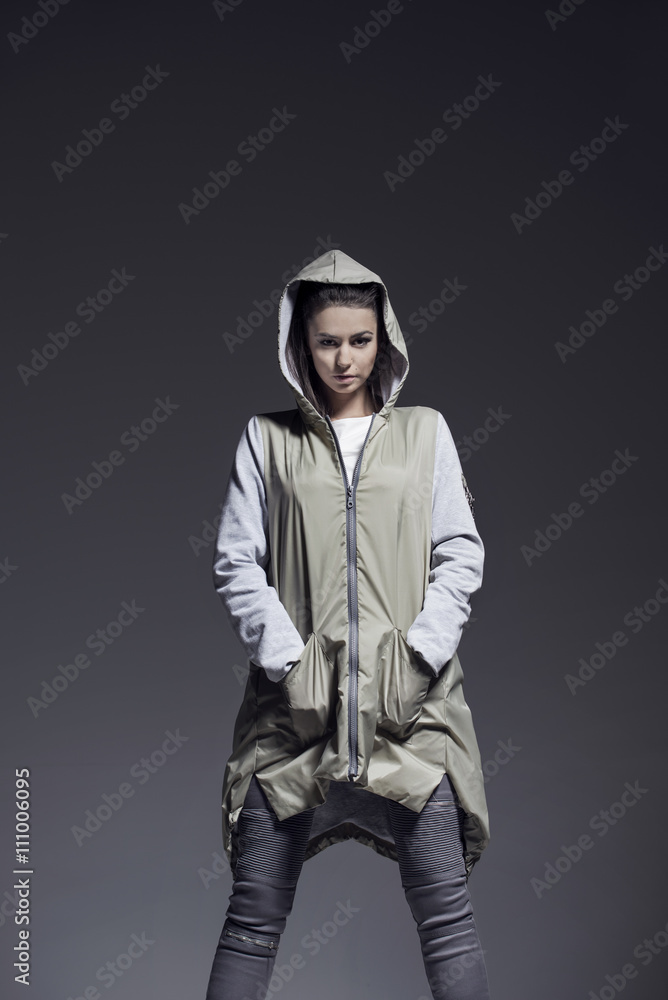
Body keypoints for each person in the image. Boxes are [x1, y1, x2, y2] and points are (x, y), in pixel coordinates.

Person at [204, 249, 491, 999]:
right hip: (293, 720)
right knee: (252, 920)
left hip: (410, 718)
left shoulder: (426, 433)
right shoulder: (266, 439)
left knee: (448, 920)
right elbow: (236, 562)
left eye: (360, 340)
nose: (344, 359)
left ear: (383, 338)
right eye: (327, 341)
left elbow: (460, 552)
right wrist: (288, 664)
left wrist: (418, 659)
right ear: (300, 343)